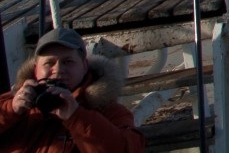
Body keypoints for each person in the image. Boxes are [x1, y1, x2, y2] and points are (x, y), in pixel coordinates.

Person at [0, 26, 144, 153]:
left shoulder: (109, 112)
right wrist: (10, 110)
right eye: (49, 63)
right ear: (36, 69)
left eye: (68, 62)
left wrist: (76, 116)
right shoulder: (15, 104)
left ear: (84, 66)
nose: (58, 70)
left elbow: (126, 149)